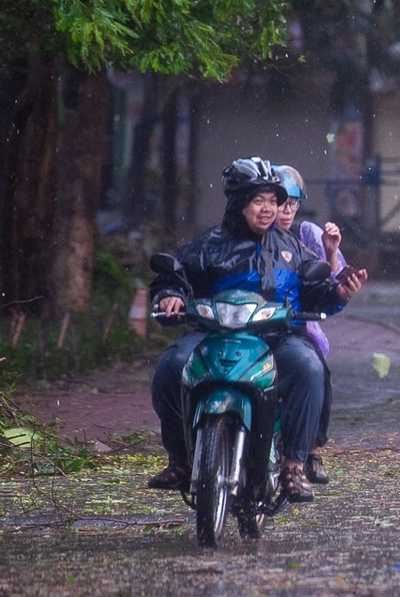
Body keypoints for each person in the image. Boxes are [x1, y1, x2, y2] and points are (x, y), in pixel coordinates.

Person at [146, 157, 344, 503]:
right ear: (238, 203)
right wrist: (170, 297)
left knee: (309, 367)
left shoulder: (289, 248)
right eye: (259, 201)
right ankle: (180, 459)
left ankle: (295, 465)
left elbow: (314, 291)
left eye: (274, 201)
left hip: (274, 339)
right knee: (170, 367)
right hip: (212, 335)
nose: (268, 209)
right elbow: (173, 277)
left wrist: (338, 293)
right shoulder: (206, 246)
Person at [273, 165, 367, 484]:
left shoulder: (306, 235)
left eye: (293, 203)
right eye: (279, 201)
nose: (285, 211)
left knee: (315, 373)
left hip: (300, 325)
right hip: (254, 326)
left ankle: (308, 452)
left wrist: (331, 253)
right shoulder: (248, 238)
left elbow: (330, 287)